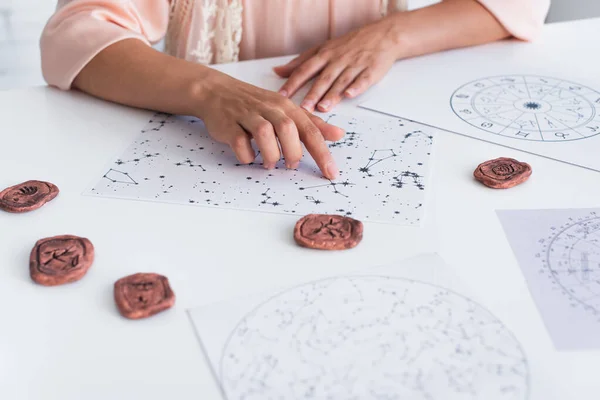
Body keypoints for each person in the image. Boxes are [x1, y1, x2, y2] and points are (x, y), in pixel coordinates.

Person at [40, 0, 550, 179]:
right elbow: (75, 33)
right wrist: (209, 90)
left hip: (374, 114)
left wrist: (391, 35)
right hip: (207, 138)